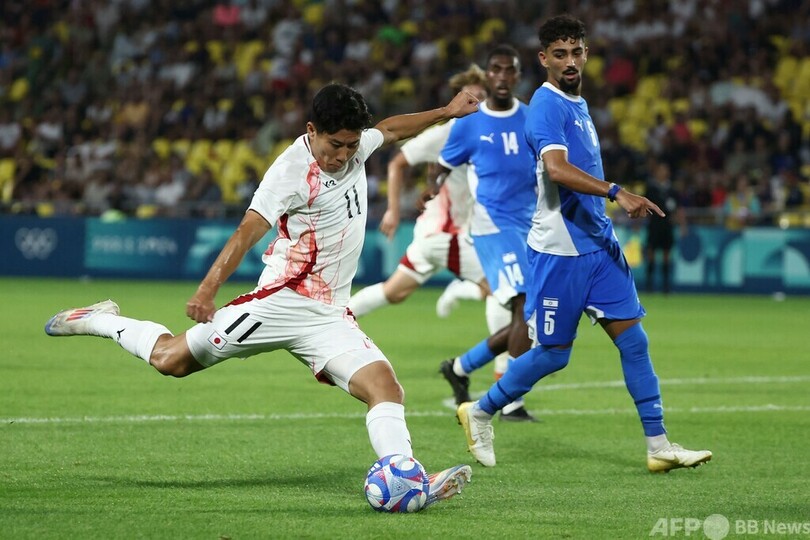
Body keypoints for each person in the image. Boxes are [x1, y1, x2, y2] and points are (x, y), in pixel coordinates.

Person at [44, 83, 480, 508]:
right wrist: (207, 289)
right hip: (280, 303)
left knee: (385, 388)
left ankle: (406, 477)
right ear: (312, 130)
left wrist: (445, 110)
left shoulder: (353, 147)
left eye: (351, 146)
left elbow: (391, 130)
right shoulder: (291, 173)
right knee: (170, 361)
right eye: (335, 145)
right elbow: (246, 232)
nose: (344, 155)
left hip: (328, 315)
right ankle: (98, 319)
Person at [456, 15, 713, 472]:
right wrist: (617, 191)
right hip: (560, 252)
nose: (570, 61)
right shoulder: (546, 105)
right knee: (554, 355)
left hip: (598, 245)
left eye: (576, 52)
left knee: (635, 343)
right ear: (544, 60)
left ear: (586, 54)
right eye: (560, 54)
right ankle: (480, 411)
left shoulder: (579, 104)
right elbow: (555, 170)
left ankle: (659, 446)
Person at [346, 65, 514, 405]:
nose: (477, 103)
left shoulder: (486, 133)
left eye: (481, 97)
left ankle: (339, 318)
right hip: (447, 235)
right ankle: (508, 393)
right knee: (504, 292)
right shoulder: (448, 132)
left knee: (394, 292)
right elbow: (397, 162)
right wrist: (393, 209)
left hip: (438, 234)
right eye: (471, 98)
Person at [436, 44, 539, 421]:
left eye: (508, 70)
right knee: (524, 309)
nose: (501, 76)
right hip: (491, 225)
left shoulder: (530, 119)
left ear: (516, 76)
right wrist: (432, 188)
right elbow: (444, 164)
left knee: (527, 318)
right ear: (488, 75)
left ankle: (460, 367)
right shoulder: (471, 122)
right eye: (494, 69)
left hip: (530, 226)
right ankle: (509, 401)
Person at [643, 160, 685, 293]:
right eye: (660, 170)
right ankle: (649, 285)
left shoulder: (672, 190)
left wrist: (682, 224)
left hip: (667, 226)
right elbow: (643, 206)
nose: (663, 172)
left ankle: (666, 286)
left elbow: (678, 208)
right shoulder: (650, 189)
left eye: (665, 170)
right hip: (654, 225)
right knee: (651, 253)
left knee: (667, 254)